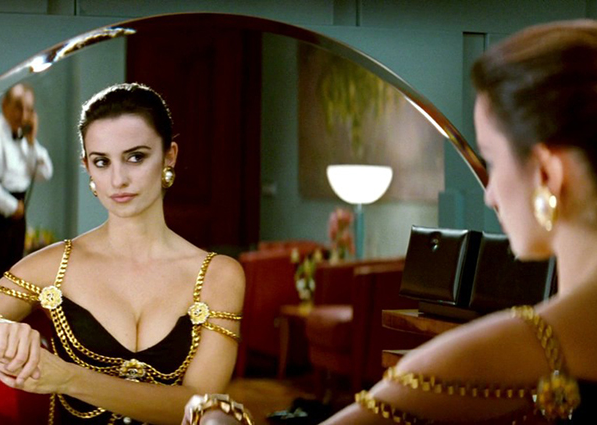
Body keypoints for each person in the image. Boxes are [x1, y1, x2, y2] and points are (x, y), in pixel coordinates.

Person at [186, 19, 597, 424]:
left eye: (491, 159)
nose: (489, 195)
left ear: (548, 173)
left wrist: (212, 413)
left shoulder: (497, 352)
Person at [0, 82, 246, 425]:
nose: (118, 179)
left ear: (169, 156)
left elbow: (197, 405)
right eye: (102, 162)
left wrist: (66, 377)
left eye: (136, 157)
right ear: (87, 166)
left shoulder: (218, 276)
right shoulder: (55, 265)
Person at [0, 82, 53, 295]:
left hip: (18, 214)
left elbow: (45, 173)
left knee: (14, 276)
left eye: (29, 109)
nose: (22, 114)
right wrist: (12, 207)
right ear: (4, 105)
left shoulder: (26, 141)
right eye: (17, 107)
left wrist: (32, 142)